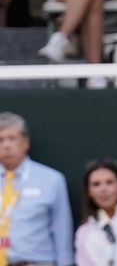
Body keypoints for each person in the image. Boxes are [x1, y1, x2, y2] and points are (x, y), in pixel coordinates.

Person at [0, 112, 74, 265]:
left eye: (12, 138)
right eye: (0, 140)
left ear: (25, 143)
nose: (6, 145)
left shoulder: (51, 179)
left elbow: (62, 232)